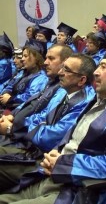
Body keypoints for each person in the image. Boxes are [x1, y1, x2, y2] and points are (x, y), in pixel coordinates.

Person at [0, 37, 106, 203]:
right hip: (52, 176)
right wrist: (57, 152)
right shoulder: (98, 100)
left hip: (78, 191)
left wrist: (63, 162)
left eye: (103, 67)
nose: (95, 72)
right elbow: (72, 135)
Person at [0, 53, 96, 192]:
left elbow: (54, 135)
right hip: (33, 147)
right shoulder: (63, 92)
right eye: (62, 68)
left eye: (67, 70)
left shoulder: (85, 102)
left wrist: (12, 128)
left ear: (81, 80)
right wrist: (16, 122)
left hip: (44, 159)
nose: (60, 72)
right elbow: (41, 116)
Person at [0, 39, 48, 111]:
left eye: (25, 56)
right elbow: (10, 85)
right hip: (9, 106)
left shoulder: (41, 77)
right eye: (22, 56)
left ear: (36, 58)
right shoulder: (23, 72)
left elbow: (31, 97)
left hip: (21, 110)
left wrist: (11, 99)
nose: (22, 59)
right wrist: (6, 93)